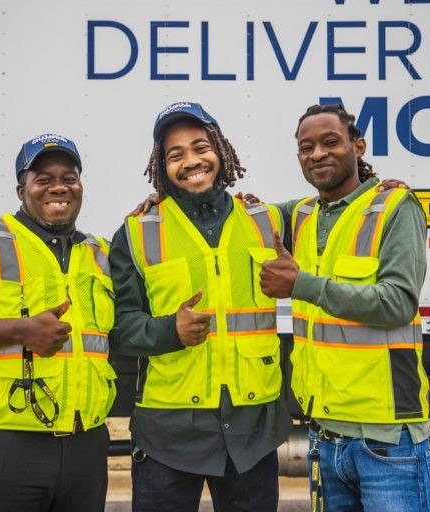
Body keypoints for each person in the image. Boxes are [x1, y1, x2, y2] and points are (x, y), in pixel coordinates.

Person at [108, 101, 293, 512]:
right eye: (176, 155)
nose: (191, 161)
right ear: (161, 166)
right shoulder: (137, 232)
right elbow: (116, 328)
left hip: (252, 431)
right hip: (169, 436)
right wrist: (168, 331)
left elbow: (332, 209)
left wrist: (372, 184)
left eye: (200, 147)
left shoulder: (269, 221)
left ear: (221, 151)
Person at [259, 104, 430, 511]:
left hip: (388, 439)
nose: (317, 154)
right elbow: (238, 213)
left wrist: (301, 285)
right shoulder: (301, 214)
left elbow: (397, 302)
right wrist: (162, 197)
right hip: (324, 436)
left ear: (357, 146)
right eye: (306, 147)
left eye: (330, 142)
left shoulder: (395, 207)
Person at [0, 134, 117, 512]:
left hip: (86, 445)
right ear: (21, 189)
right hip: (5, 446)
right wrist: (19, 330)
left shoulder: (101, 252)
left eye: (69, 177)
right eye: (43, 179)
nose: (58, 186)